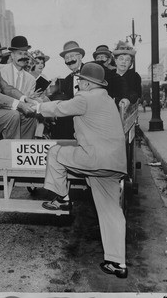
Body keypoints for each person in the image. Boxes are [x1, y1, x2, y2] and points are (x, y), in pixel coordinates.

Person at [33, 62, 128, 279]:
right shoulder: (107, 99)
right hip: (114, 165)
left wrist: (37, 107)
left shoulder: (86, 97)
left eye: (80, 83)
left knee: (56, 152)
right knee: (111, 212)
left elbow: (59, 108)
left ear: (85, 83)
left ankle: (63, 198)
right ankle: (118, 263)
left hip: (94, 159)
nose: (79, 86)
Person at [50, 41, 85, 139]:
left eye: (72, 56)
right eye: (66, 58)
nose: (69, 60)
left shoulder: (90, 71)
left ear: (80, 56)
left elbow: (117, 80)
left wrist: (126, 98)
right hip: (74, 118)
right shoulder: (67, 80)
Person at [112, 41, 142, 105]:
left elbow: (135, 94)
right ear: (115, 61)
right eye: (121, 59)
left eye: (127, 60)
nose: (124, 62)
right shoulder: (109, 75)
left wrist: (128, 99)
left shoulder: (134, 76)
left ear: (130, 63)